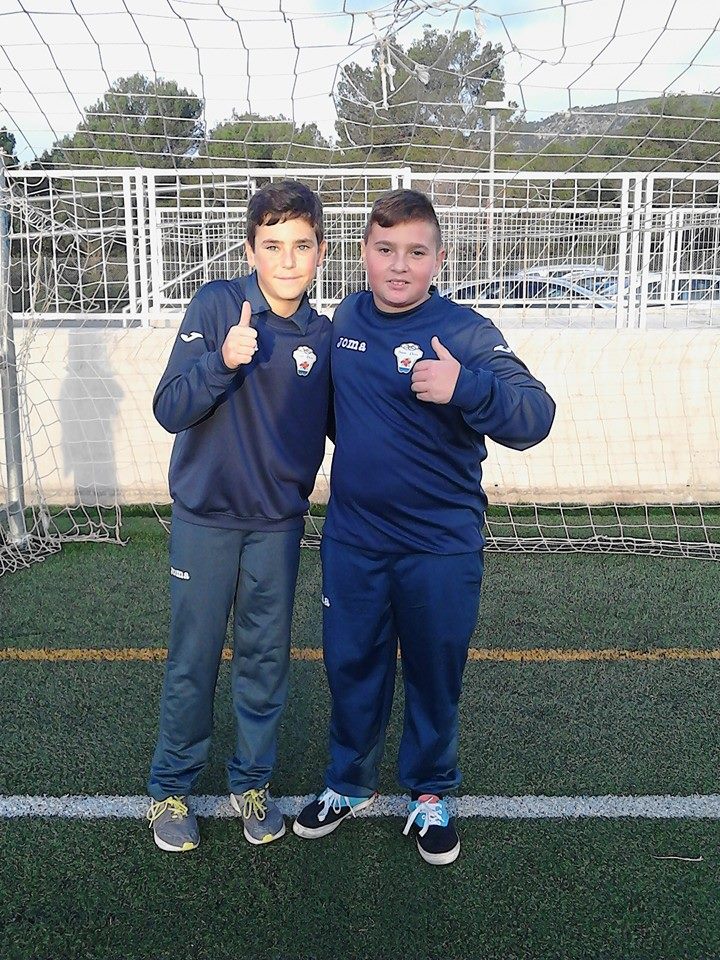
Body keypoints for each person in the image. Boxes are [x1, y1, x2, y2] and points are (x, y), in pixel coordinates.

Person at [293, 189, 555, 865]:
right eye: (385, 250)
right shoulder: (347, 317)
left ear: (438, 259)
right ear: (363, 254)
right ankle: (348, 783)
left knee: (435, 674)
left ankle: (431, 791)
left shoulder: (465, 332)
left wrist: (465, 387)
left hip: (440, 546)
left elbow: (535, 414)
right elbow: (334, 413)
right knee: (352, 666)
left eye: (415, 252)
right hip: (355, 542)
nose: (399, 266)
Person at [146, 180, 331, 852]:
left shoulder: (324, 336)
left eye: (301, 245)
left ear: (320, 252)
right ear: (251, 250)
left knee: (265, 661)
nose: (287, 259)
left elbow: (347, 427)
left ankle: (251, 782)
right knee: (193, 660)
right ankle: (170, 788)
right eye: (272, 245)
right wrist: (222, 361)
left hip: (277, 527)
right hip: (206, 521)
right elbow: (170, 407)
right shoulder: (217, 304)